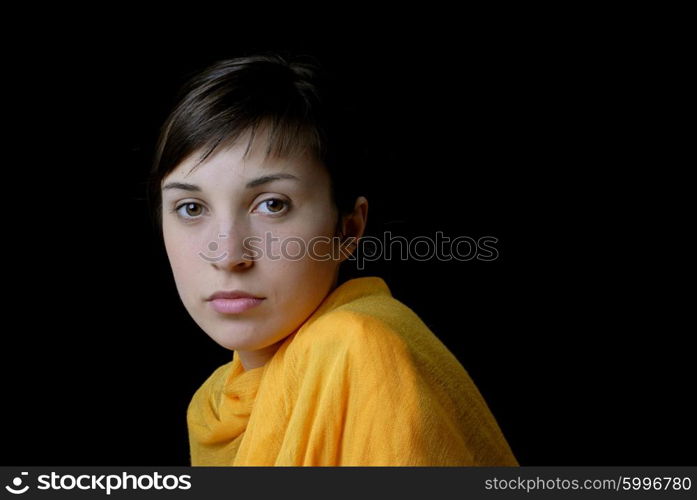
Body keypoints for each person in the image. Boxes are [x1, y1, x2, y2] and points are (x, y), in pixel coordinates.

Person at [147, 52, 518, 466]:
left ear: (347, 229)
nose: (229, 255)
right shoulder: (216, 404)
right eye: (191, 208)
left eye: (272, 204)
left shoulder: (358, 349)